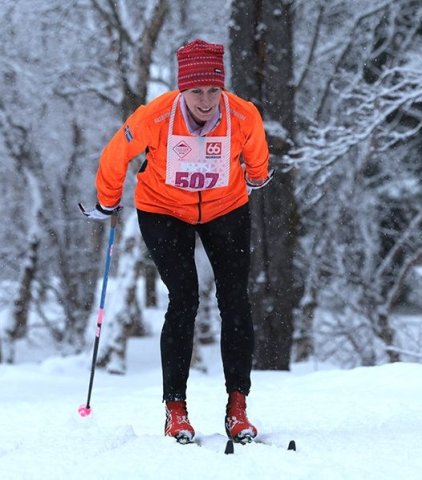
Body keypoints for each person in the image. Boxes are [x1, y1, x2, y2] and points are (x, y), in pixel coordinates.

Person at [82, 39, 272, 444]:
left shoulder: (242, 115)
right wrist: (107, 200)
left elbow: (257, 154)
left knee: (235, 299)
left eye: (212, 91)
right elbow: (117, 154)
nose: (205, 101)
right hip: (163, 209)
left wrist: (256, 175)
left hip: (226, 207)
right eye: (196, 91)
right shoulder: (155, 116)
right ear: (182, 90)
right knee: (184, 297)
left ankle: (237, 407)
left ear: (222, 89)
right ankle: (176, 410)